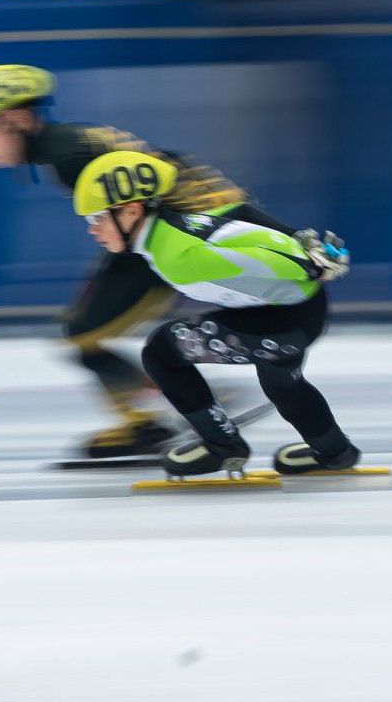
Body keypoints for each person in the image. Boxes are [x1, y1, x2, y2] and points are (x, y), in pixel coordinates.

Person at [0, 64, 247, 460]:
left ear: (14, 120)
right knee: (81, 332)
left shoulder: (68, 156)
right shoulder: (67, 147)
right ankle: (154, 413)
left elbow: (144, 202)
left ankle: (184, 405)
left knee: (83, 334)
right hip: (179, 228)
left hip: (178, 234)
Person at [70, 149, 355, 477]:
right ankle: (335, 451)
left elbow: (255, 260)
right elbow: (239, 211)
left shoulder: (178, 256)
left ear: (131, 211)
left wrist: (308, 265)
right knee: (281, 383)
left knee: (162, 352)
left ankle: (223, 446)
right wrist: (300, 243)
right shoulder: (174, 224)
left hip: (283, 320)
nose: (92, 230)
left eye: (97, 218)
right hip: (290, 311)